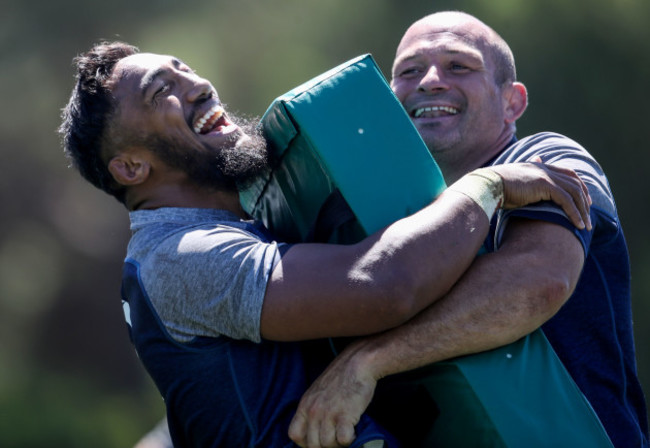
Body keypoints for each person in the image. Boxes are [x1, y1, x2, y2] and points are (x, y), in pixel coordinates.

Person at [59, 42, 592, 447]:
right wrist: (489, 187)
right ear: (131, 167)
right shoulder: (183, 255)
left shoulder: (210, 235)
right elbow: (385, 285)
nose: (196, 85)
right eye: (162, 92)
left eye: (184, 69)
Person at [287, 11, 649, 448]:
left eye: (459, 65)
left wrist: (365, 362)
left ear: (512, 102)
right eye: (409, 71)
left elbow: (538, 283)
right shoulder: (393, 214)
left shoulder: (547, 158)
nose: (431, 81)